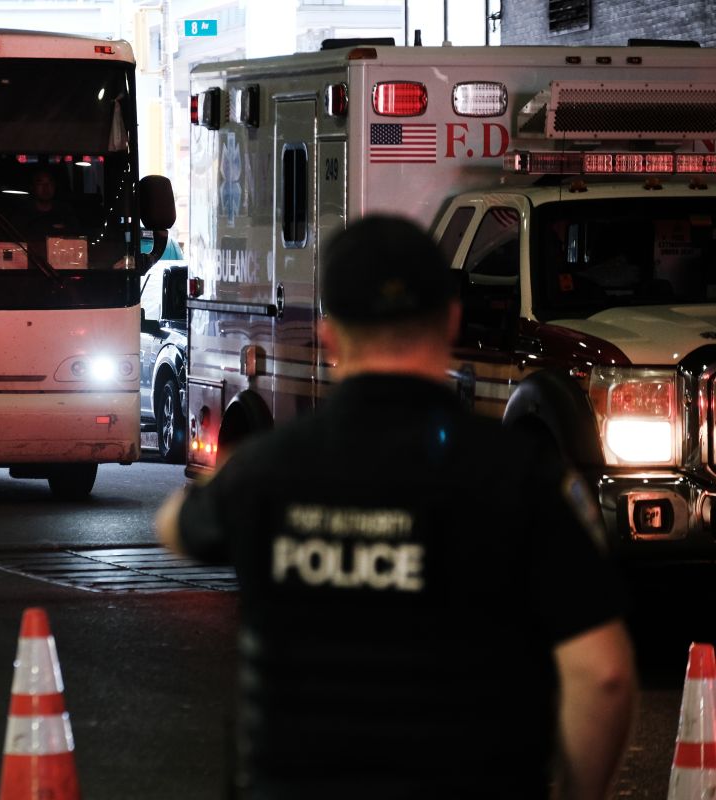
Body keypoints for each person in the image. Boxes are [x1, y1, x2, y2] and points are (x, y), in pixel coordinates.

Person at [155, 214, 635, 800]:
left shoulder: (266, 471)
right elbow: (603, 675)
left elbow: (178, 527)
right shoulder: (523, 476)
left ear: (329, 338)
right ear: (451, 320)